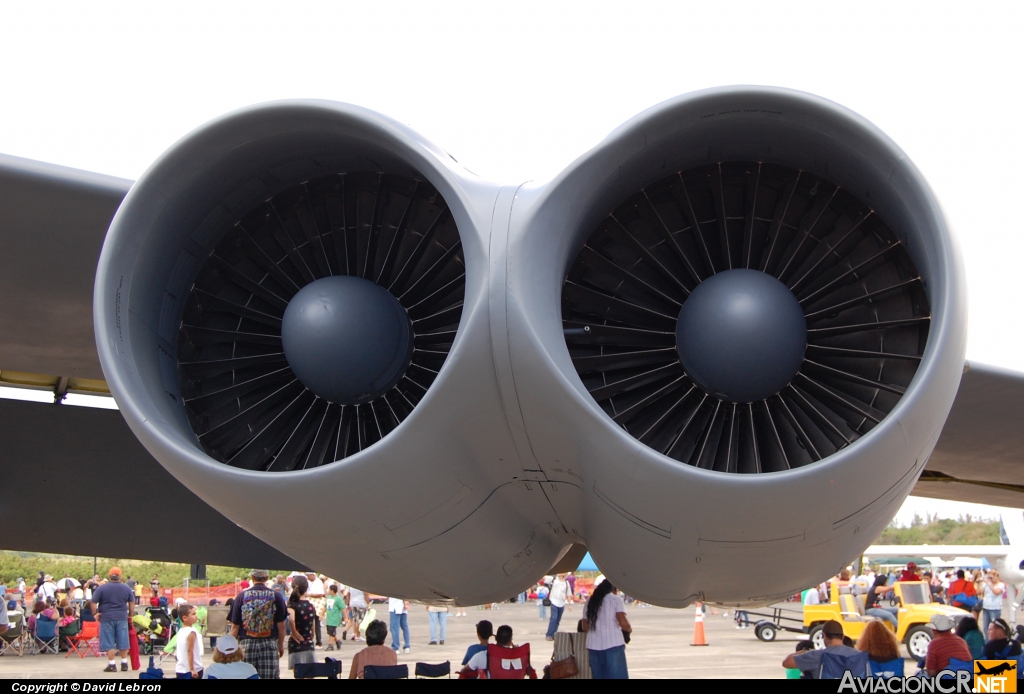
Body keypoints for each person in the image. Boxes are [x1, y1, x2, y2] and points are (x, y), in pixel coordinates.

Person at [229, 568, 289, 679]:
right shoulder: (276, 596)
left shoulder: (242, 596)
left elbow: (234, 627)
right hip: (269, 644)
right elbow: (282, 626)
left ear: (252, 577)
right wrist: (280, 645)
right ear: (267, 578)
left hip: (247, 644)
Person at [581, 578, 631, 679]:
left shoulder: (590, 601)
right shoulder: (616, 599)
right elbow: (623, 622)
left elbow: (585, 627)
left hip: (593, 645)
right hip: (613, 644)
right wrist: (629, 629)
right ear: (614, 589)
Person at [91, 567, 134, 673]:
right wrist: (130, 615)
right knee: (123, 640)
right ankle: (124, 663)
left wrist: (95, 614)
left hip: (106, 617)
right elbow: (132, 603)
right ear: (120, 576)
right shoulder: (126, 588)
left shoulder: (101, 588)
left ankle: (112, 665)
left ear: (110, 576)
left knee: (109, 641)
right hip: (122, 617)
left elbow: (93, 602)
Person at [783, 620, 859, 679]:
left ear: (823, 636)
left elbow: (786, 662)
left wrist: (805, 651)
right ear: (842, 637)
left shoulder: (815, 656)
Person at [464, 624, 537, 678]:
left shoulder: (483, 656)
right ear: (510, 641)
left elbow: (463, 671)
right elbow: (533, 674)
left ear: (496, 638)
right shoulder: (521, 658)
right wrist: (517, 652)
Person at [286, 575, 316, 677]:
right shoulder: (311, 606)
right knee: (310, 674)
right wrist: (313, 634)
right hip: (308, 643)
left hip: (296, 644)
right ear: (306, 588)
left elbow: (291, 619)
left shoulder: (292, 605)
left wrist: (293, 632)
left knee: (299, 674)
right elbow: (313, 623)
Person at [173, 603, 204, 679]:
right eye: (193, 614)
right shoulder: (191, 632)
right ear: (185, 618)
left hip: (180, 669)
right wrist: (192, 669)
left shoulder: (181, 630)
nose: (196, 616)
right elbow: (190, 650)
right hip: (193, 670)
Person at [545, 573, 572, 641]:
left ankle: (554, 634)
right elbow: (544, 578)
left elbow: (568, 594)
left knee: (557, 620)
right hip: (553, 601)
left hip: (562, 603)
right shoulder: (553, 580)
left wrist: (570, 604)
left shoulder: (566, 583)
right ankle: (549, 634)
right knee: (554, 618)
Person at [306, 573, 326, 648]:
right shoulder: (310, 582)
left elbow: (321, 594)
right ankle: (310, 640)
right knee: (310, 624)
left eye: (308, 576)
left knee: (317, 624)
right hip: (311, 605)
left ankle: (319, 642)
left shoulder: (318, 582)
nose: (308, 578)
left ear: (312, 575)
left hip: (317, 606)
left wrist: (310, 594)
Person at [324, 584, 345, 651]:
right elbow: (325, 606)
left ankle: (330, 645)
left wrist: (345, 617)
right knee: (330, 631)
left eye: (329, 589)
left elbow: (343, 608)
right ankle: (338, 641)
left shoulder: (338, 599)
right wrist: (321, 614)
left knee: (331, 631)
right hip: (329, 618)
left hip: (335, 618)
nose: (328, 591)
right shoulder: (329, 597)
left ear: (332, 590)